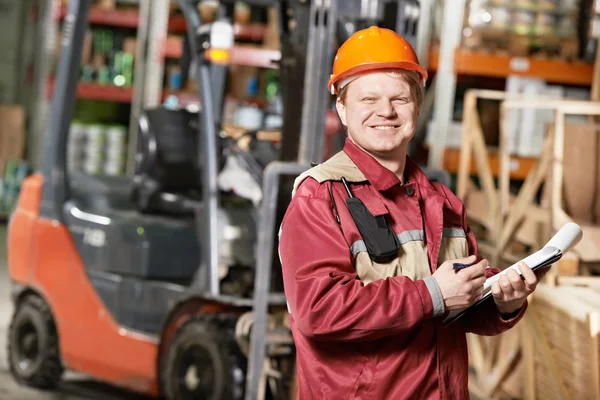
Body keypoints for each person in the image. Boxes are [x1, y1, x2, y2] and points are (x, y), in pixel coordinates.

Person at [278, 26, 547, 399]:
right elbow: (318, 310)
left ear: (417, 106)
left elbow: (457, 305)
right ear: (342, 108)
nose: (385, 111)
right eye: (368, 99)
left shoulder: (444, 202)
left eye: (400, 98)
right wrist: (431, 293)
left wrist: (502, 301)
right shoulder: (320, 198)